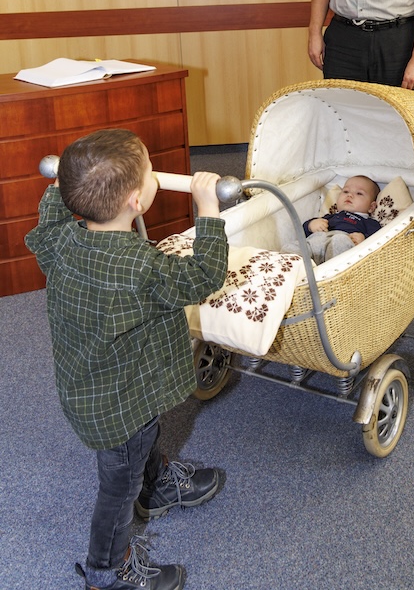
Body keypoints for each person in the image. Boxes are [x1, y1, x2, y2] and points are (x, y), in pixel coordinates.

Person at [25, 128, 229, 590]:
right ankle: (106, 572)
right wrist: (209, 210)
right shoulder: (144, 267)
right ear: (137, 202)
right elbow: (204, 275)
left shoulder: (60, 243)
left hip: (100, 387)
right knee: (118, 488)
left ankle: (156, 487)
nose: (157, 175)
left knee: (143, 439)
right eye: (151, 171)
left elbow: (49, 221)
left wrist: (58, 187)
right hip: (118, 408)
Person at [291, 175, 381, 264]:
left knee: (340, 240)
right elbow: (302, 233)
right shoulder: (330, 216)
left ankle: (332, 270)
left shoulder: (369, 222)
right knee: (296, 245)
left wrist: (364, 239)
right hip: (318, 241)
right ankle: (290, 264)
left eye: (359, 193)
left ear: (371, 207)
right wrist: (311, 225)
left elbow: (379, 240)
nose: (349, 195)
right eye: (345, 191)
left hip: (342, 242)